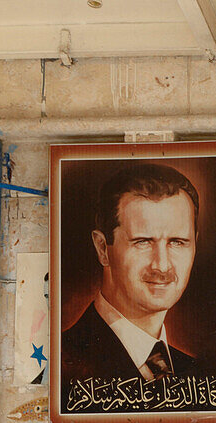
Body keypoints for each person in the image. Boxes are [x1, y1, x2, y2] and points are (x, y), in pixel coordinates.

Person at [61, 163, 201, 391]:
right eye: (143, 242)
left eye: (177, 242)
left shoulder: (194, 371)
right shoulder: (63, 363)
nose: (162, 266)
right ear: (102, 249)